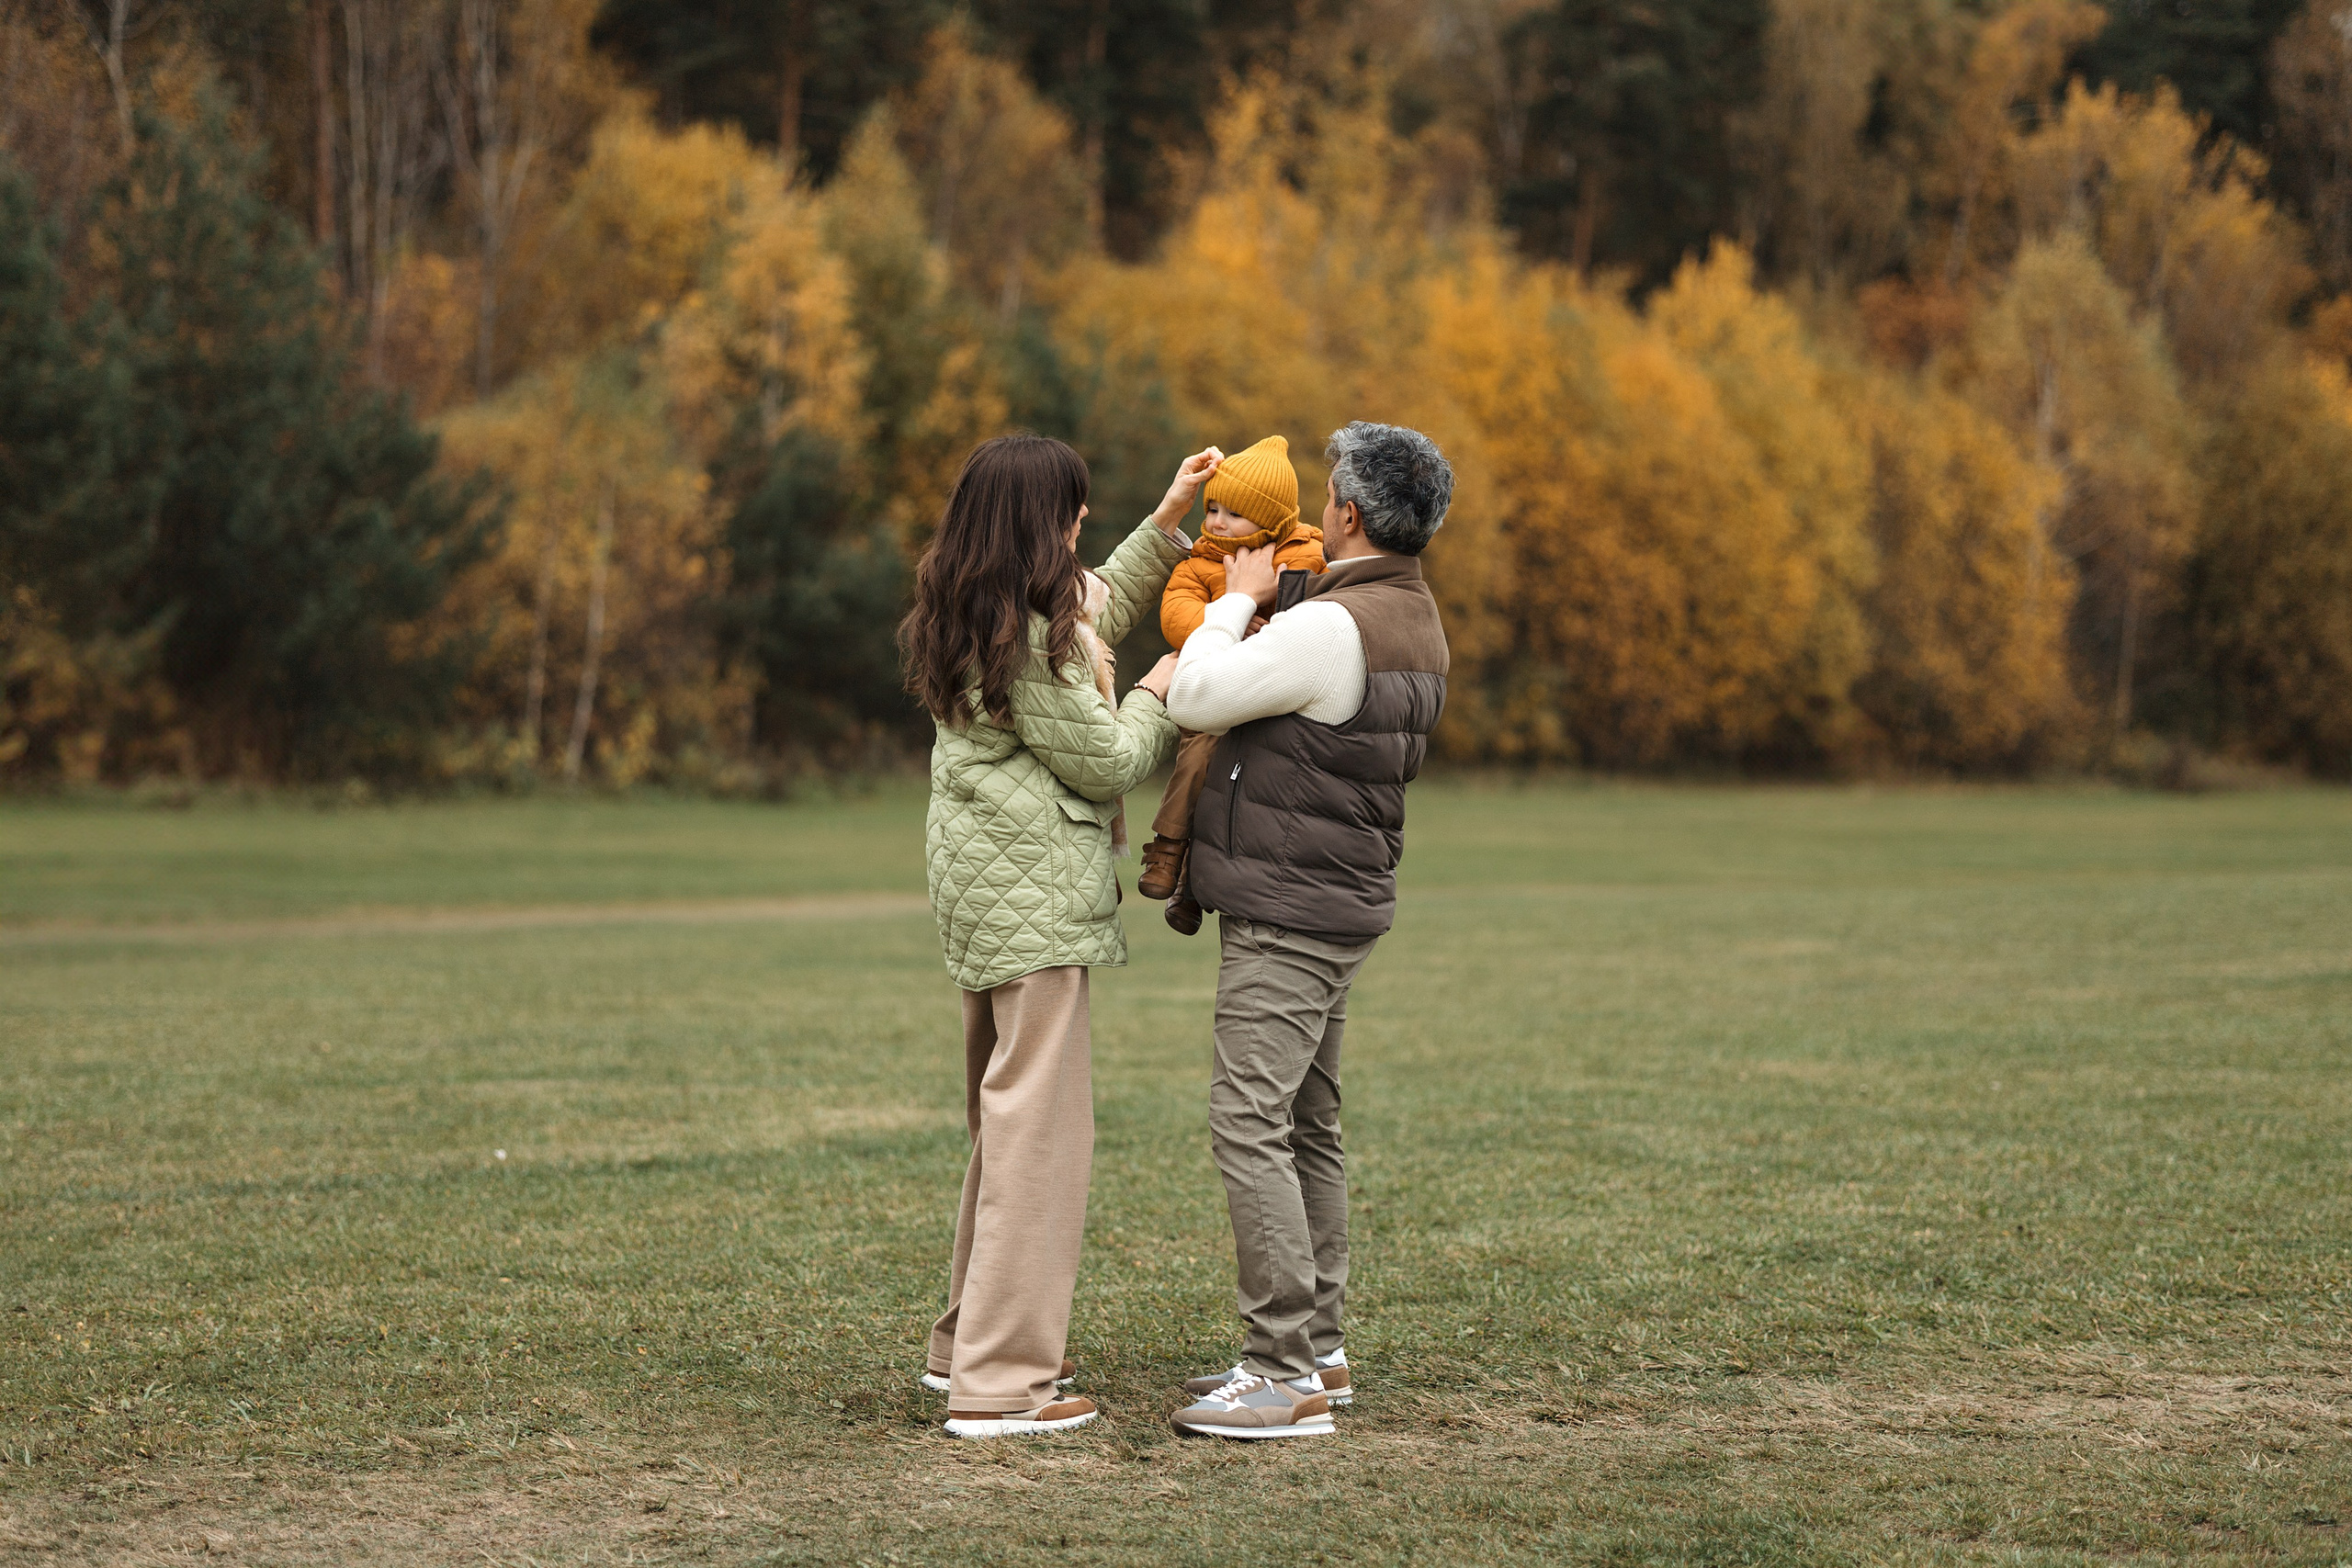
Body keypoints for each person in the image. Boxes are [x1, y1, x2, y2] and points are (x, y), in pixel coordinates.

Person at [898, 433, 1219, 1438]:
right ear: (1042, 524)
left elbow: (1093, 614)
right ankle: (1002, 1383)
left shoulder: (984, 608)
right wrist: (1160, 694)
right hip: (1031, 902)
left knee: (1006, 1126)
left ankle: (966, 1346)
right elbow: (1107, 759)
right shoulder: (1032, 638)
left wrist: (1165, 524)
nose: (1083, 521)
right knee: (1040, 1137)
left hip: (988, 896)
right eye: (1074, 508)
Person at [1160, 421, 1454, 1440]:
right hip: (1338, 901)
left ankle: (1280, 1372)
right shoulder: (1414, 616)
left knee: (1248, 1122)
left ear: (1351, 514)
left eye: (1328, 495)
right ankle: (1319, 1350)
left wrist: (1231, 602)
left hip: (1289, 914)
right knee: (1306, 1124)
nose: (1319, 508)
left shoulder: (1334, 625)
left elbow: (1198, 693)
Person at [1136, 435, 1327, 936]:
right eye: (1213, 508)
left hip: (1273, 695)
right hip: (1218, 690)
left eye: (1234, 513)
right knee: (1198, 758)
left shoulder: (1302, 553)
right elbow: (1177, 617)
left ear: (1272, 518)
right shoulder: (1199, 561)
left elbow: (1312, 605)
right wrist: (1234, 615)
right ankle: (1169, 847)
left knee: (1246, 796)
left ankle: (1192, 886)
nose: (1218, 522)